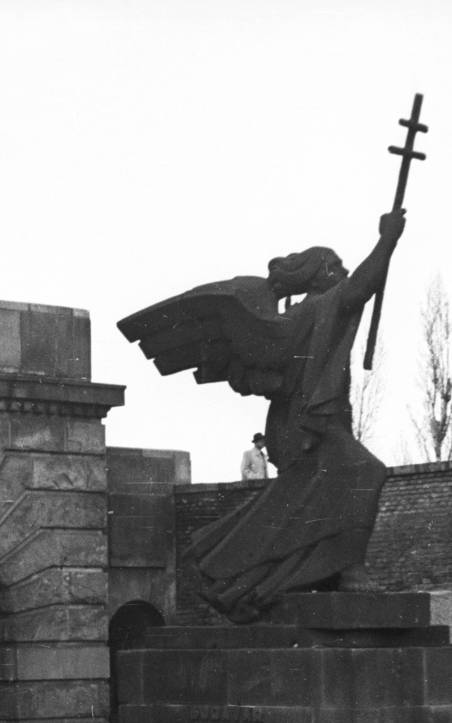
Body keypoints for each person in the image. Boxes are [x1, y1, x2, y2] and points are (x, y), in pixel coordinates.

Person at [117, 209, 406, 621]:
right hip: (306, 425)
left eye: (343, 265)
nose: (342, 271)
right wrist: (387, 240)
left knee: (310, 497)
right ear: (317, 276)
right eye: (335, 266)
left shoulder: (302, 316)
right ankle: (349, 571)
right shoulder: (317, 309)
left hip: (308, 422)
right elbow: (362, 286)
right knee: (365, 473)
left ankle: (287, 572)